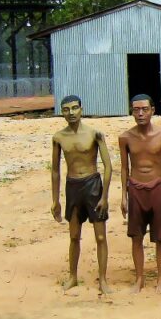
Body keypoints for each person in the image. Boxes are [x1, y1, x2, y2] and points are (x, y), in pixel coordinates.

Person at [50, 94, 113, 294]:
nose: (71, 113)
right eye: (66, 109)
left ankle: (103, 279)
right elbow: (55, 170)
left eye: (75, 108)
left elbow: (108, 166)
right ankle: (73, 276)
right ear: (62, 112)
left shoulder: (95, 134)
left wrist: (104, 196)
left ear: (82, 109)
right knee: (74, 236)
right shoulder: (58, 138)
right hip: (73, 186)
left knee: (101, 237)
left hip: (93, 185)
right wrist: (55, 200)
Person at [119, 94, 161, 293]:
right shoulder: (125, 137)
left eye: (144, 109)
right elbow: (124, 168)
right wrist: (124, 197)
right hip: (135, 188)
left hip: (158, 187)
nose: (140, 113)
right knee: (136, 235)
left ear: (152, 110)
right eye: (136, 110)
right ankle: (140, 278)